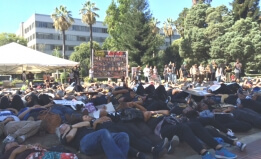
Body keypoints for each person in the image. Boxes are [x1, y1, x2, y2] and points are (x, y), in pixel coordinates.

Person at [57, 119, 130, 159]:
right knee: (103, 132)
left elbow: (87, 123)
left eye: (66, 124)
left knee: (123, 135)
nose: (66, 125)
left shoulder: (75, 126)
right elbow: (71, 136)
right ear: (61, 132)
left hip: (97, 139)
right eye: (64, 126)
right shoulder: (63, 137)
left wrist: (72, 126)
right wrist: (72, 127)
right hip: (84, 144)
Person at [1, 141, 78, 159]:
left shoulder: (22, 145)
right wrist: (14, 152)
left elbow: (47, 149)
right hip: (30, 157)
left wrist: (41, 146)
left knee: (71, 155)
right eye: (9, 143)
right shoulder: (7, 153)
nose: (12, 142)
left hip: (42, 153)